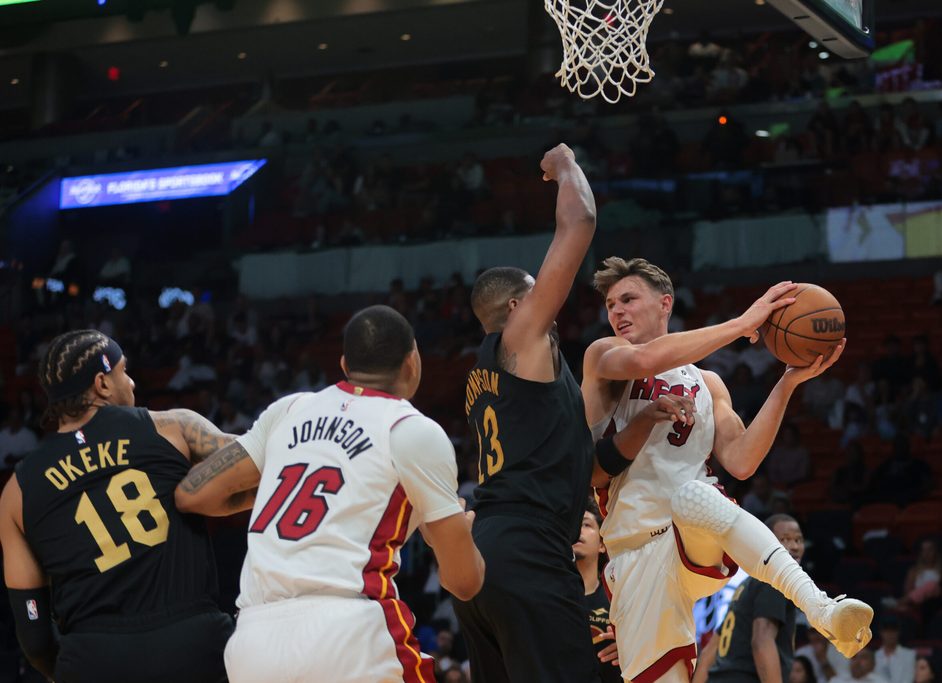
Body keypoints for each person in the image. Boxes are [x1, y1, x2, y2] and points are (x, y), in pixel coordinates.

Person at [582, 257, 872, 683]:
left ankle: (822, 607)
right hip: (634, 552)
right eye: (610, 304)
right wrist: (742, 323)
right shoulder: (604, 356)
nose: (617, 311)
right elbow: (646, 360)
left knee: (695, 494)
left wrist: (786, 383)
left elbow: (741, 460)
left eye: (628, 299)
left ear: (665, 304)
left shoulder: (708, 383)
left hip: (692, 534)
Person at [175, 305, 485, 683]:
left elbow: (194, 496)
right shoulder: (413, 430)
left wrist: (275, 486)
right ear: (413, 362)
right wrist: (459, 533)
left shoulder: (289, 409)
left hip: (253, 638)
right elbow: (465, 583)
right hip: (348, 630)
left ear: (343, 363)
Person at [0, 329, 236, 682]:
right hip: (193, 646)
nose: (132, 382)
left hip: (93, 660)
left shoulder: (16, 491)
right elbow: (259, 462)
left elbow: (33, 636)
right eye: (123, 371)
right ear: (103, 384)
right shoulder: (172, 428)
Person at [450, 143, 603, 683]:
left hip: (485, 559)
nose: (552, 306)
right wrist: (564, 165)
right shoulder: (520, 340)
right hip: (527, 553)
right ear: (515, 308)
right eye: (539, 297)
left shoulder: (487, 379)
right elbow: (579, 223)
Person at [695, 514, 806, 683]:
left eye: (798, 540)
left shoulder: (746, 585)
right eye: (785, 540)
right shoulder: (774, 579)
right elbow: (762, 640)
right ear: (765, 545)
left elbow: (709, 652)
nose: (794, 546)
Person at [575, 499, 623, 683]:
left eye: (586, 524)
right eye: (572, 526)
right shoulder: (548, 597)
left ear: (602, 545)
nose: (576, 531)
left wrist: (629, 646)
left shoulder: (618, 596)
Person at [874, 615, 915, 683]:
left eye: (893, 631)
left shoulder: (909, 655)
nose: (890, 634)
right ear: (881, 633)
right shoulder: (874, 656)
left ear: (898, 632)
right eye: (886, 631)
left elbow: (909, 679)